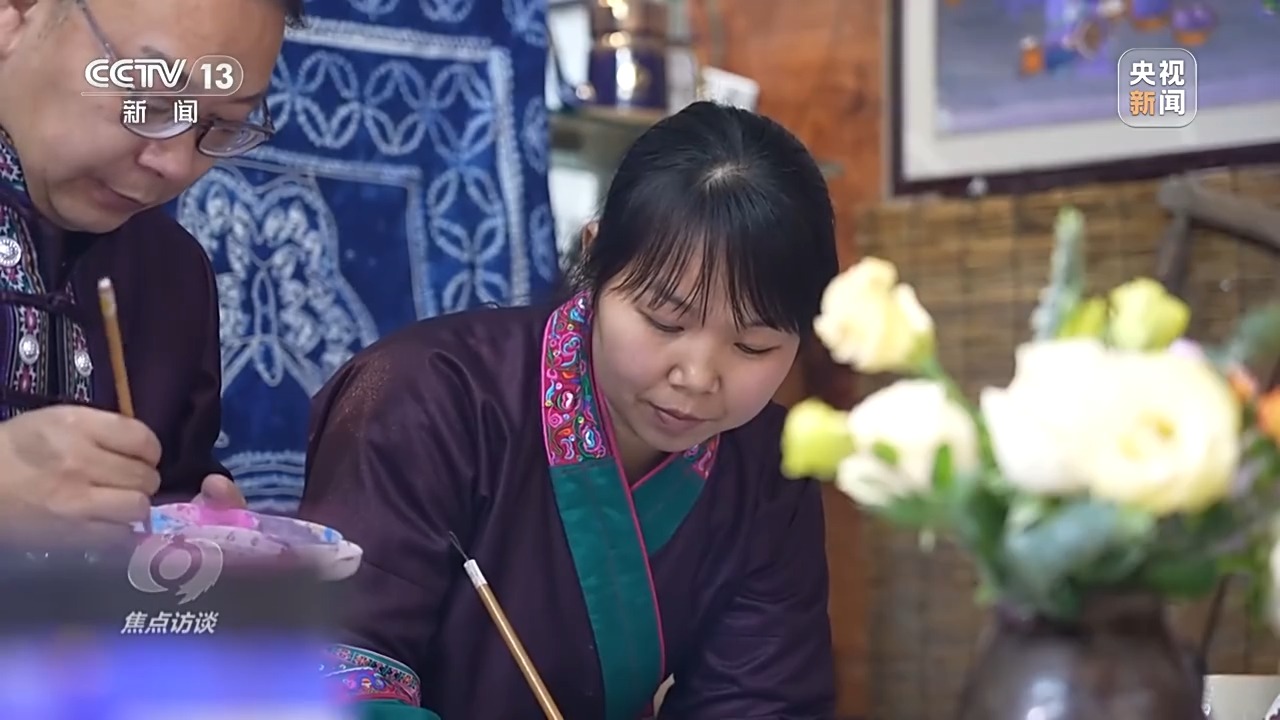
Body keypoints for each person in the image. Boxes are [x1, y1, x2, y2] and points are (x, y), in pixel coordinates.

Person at [300, 101, 841, 719]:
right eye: (665, 322)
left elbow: (762, 702)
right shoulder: (426, 397)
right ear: (597, 255)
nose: (696, 378)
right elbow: (340, 669)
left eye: (753, 346)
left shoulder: (768, 469)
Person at [0, 0, 303, 544]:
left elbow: (168, 494)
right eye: (153, 100)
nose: (175, 164)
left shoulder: (174, 277)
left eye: (222, 127)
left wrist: (193, 544)